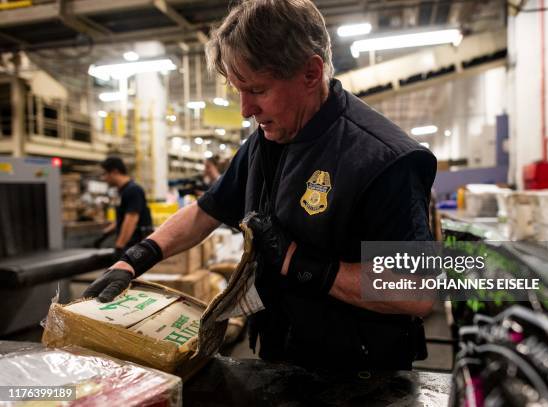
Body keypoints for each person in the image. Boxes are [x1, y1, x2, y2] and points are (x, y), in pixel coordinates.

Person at [84, 0, 436, 369]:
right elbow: (206, 211)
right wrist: (134, 260)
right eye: (238, 90)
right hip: (281, 354)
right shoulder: (265, 142)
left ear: (311, 74)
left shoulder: (383, 158)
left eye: (257, 90)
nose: (244, 109)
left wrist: (297, 261)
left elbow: (416, 291)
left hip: (361, 374)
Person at [97, 156, 153, 260]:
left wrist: (119, 246)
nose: (103, 178)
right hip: (129, 243)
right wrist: (106, 232)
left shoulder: (133, 190)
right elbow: (123, 218)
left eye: (105, 174)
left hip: (135, 244)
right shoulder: (122, 191)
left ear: (114, 172)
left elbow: (131, 219)